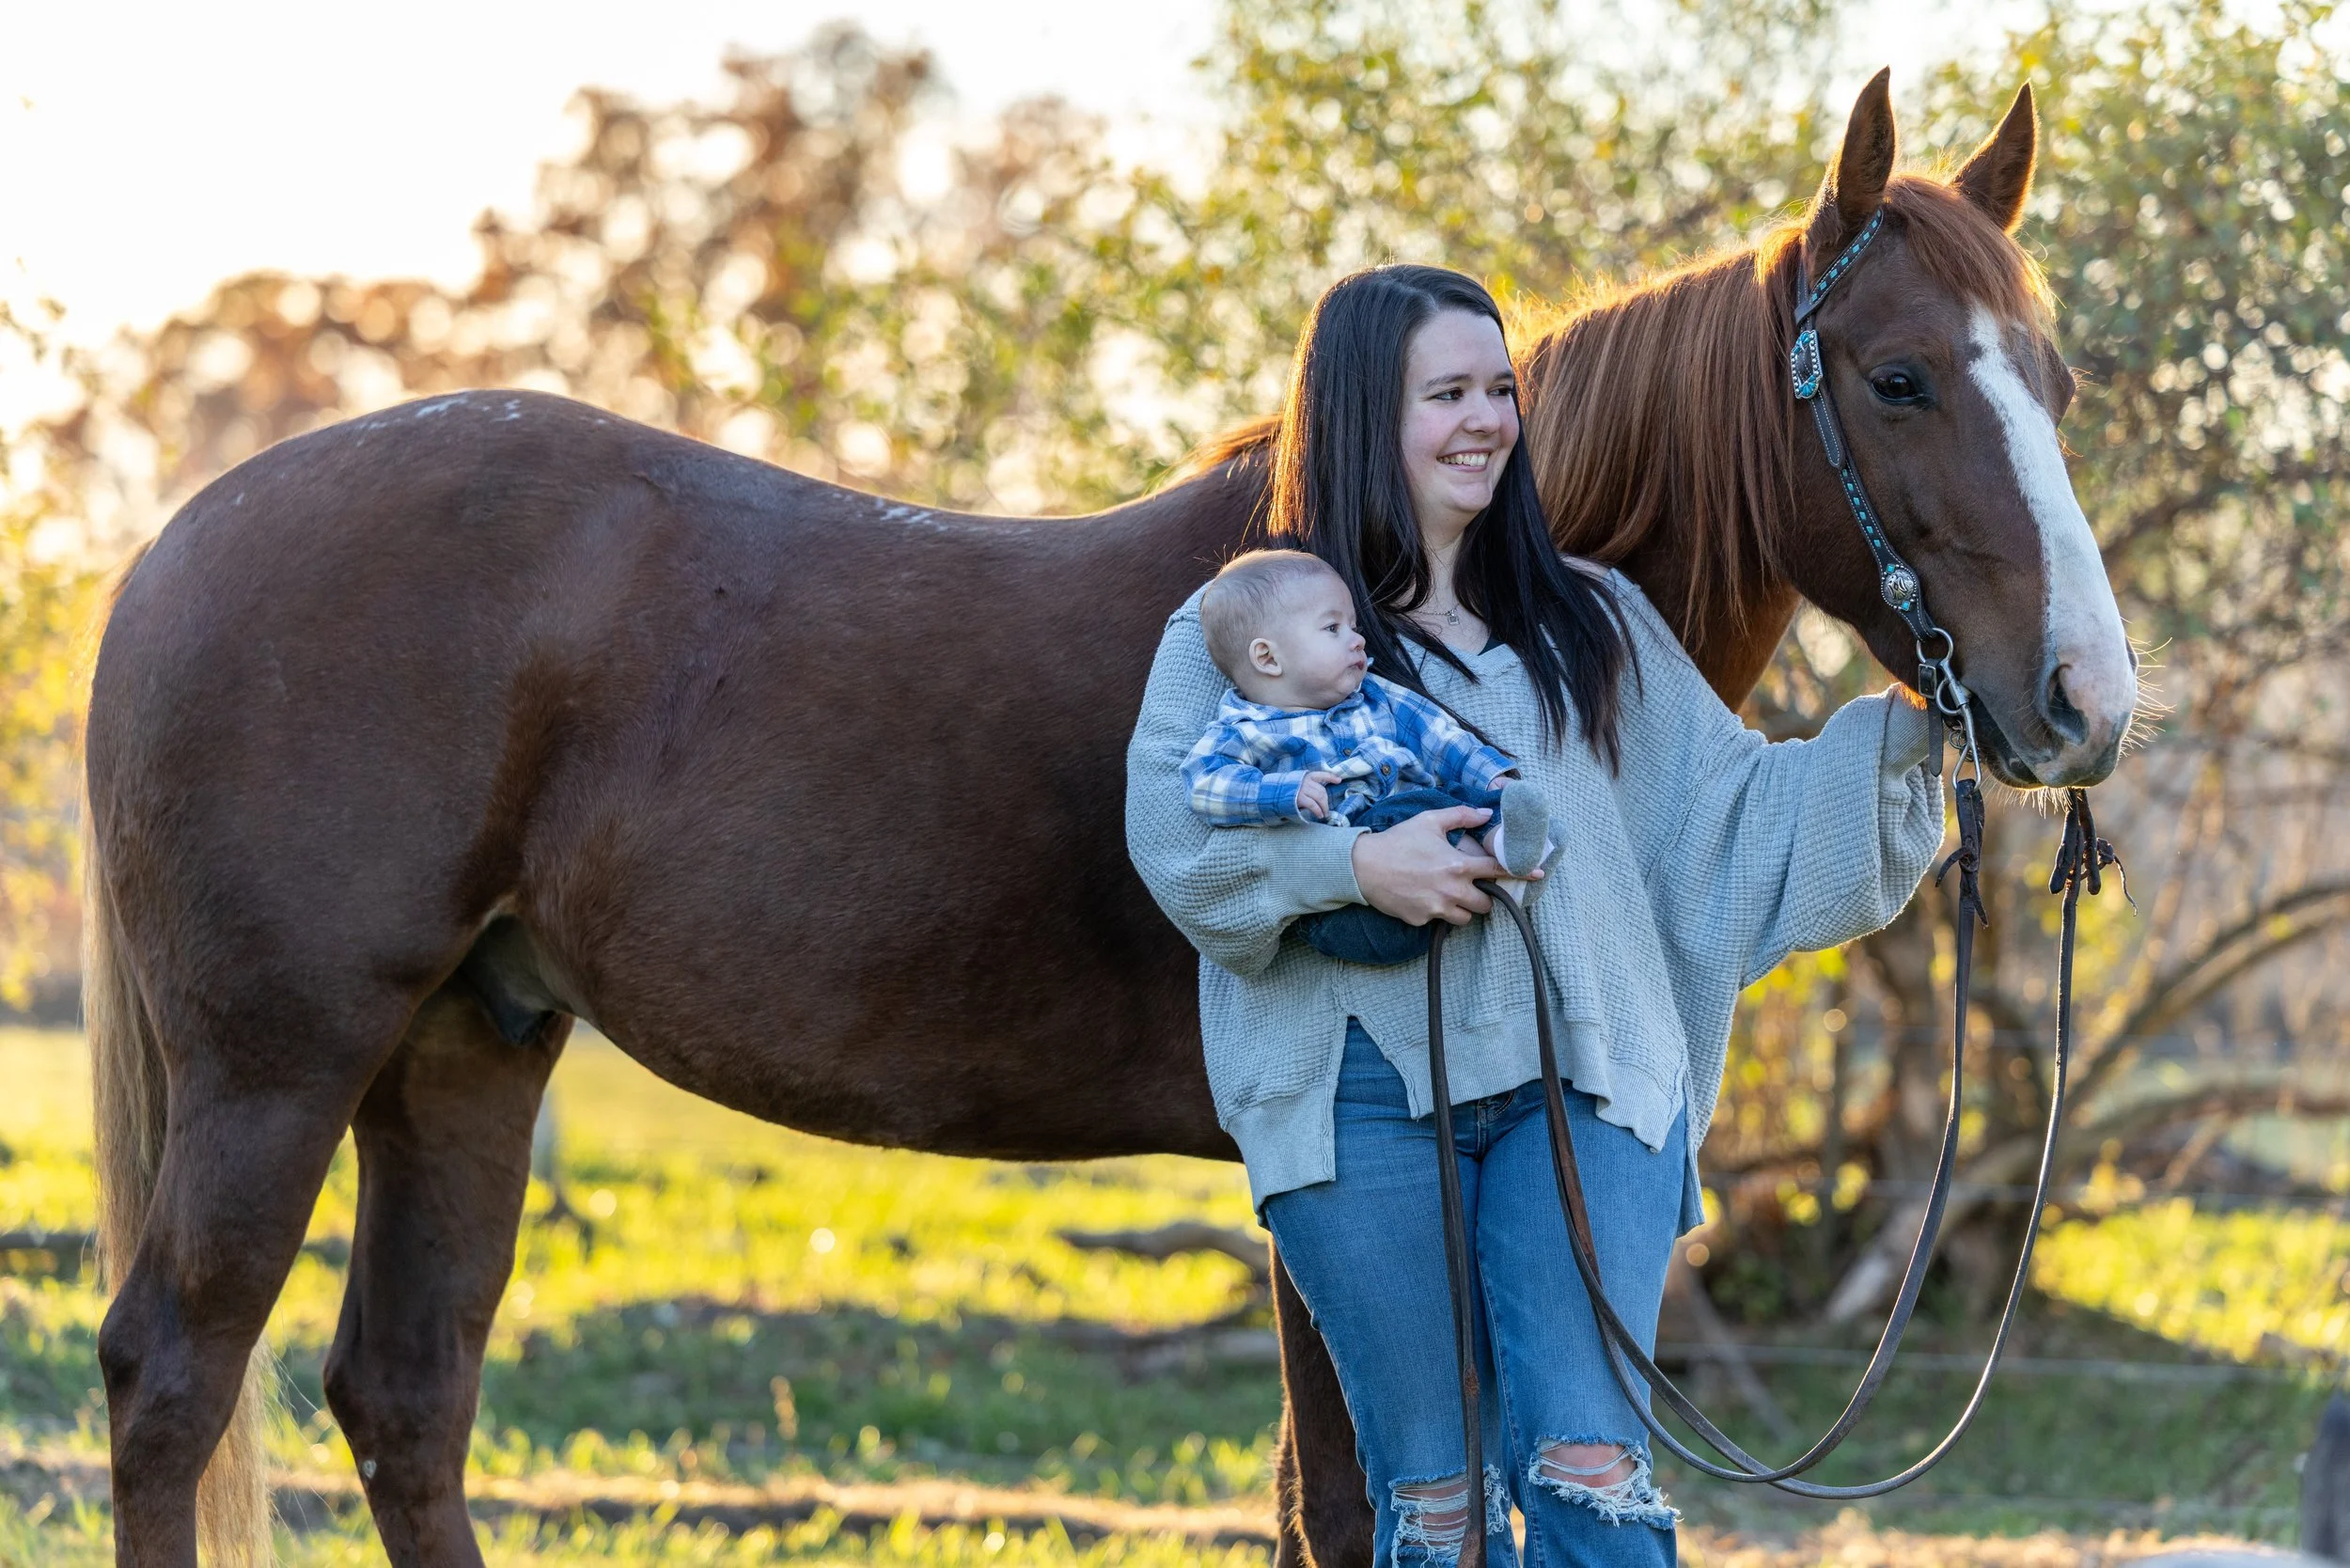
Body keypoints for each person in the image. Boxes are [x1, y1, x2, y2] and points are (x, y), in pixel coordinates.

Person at [1124, 264, 1945, 1567]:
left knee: (1590, 1474)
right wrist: (1356, 869)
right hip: (1354, 1103)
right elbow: (1179, 841)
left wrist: (1913, 739)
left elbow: (1727, 829)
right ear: (1353, 420)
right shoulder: (1246, 630)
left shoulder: (1594, 620)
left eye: (1499, 390)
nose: (1486, 420)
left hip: (1588, 1087)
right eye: (1444, 393)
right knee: (1433, 1514)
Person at [1183, 547, 1553, 965]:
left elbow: (1440, 736)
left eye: (1354, 626)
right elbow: (1204, 785)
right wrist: (1282, 792)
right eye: (1332, 628)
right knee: (1418, 805)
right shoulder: (1242, 732)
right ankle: (1500, 873)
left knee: (1463, 794)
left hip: (1423, 861)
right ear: (1268, 658)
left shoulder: (1374, 696)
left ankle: (1512, 847)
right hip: (1347, 913)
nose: (1358, 639)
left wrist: (1492, 778)